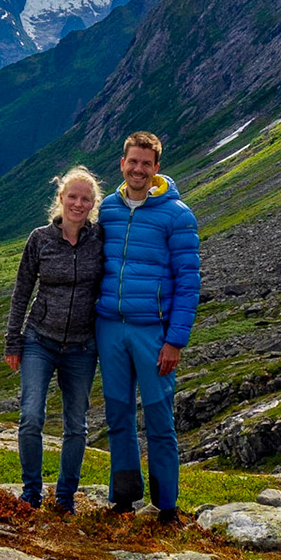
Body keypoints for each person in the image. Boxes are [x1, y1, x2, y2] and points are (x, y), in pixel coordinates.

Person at [94, 131, 200, 523]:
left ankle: (167, 506)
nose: (138, 169)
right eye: (132, 162)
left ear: (157, 168)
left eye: (146, 163)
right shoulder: (107, 209)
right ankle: (123, 499)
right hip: (110, 327)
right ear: (122, 164)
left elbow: (188, 282)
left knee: (159, 419)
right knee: (118, 416)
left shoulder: (177, 215)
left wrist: (175, 341)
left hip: (153, 333)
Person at [4, 166, 104, 512]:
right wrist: (13, 340)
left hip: (82, 347)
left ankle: (64, 498)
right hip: (39, 341)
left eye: (85, 199)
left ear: (93, 204)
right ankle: (31, 492)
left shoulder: (100, 239)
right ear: (61, 198)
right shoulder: (40, 239)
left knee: (76, 425)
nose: (78, 204)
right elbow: (21, 292)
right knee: (31, 416)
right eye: (72, 197)